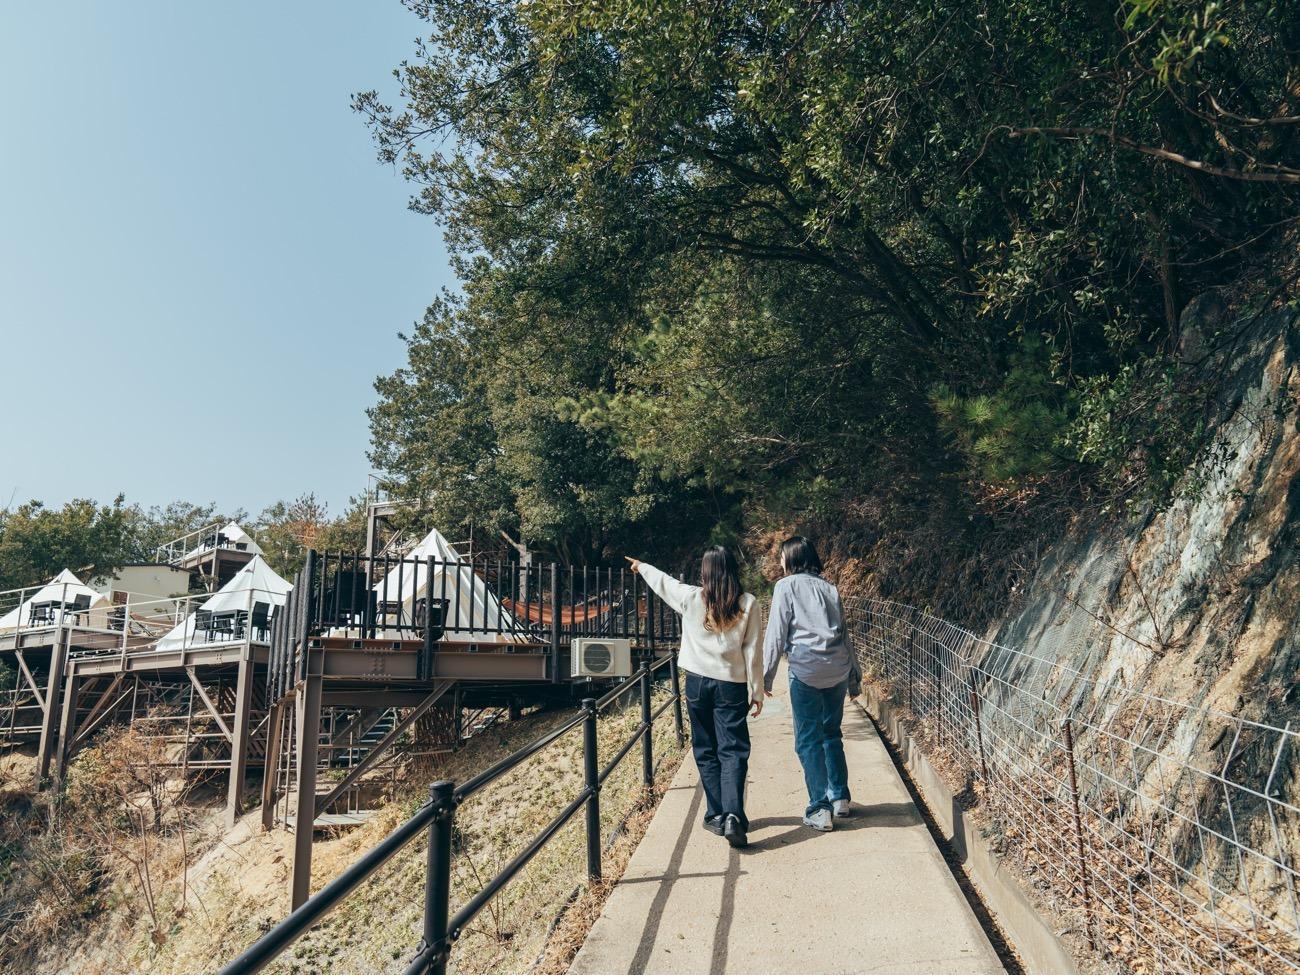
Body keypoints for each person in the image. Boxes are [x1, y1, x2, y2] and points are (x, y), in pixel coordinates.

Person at [625, 548, 763, 848]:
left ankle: (716, 813)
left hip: (697, 683)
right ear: (731, 569)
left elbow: (664, 584)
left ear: (706, 571)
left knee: (705, 747)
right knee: (733, 749)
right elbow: (752, 650)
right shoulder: (749, 603)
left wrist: (642, 566)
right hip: (731, 686)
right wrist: (756, 690)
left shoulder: (691, 598)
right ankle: (733, 817)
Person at [762, 535, 860, 833]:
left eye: (782, 557)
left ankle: (819, 808)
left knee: (807, 739)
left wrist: (765, 676)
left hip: (805, 671)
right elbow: (844, 633)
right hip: (837, 669)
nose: (780, 563)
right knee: (831, 732)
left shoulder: (785, 586)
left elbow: (777, 634)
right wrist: (854, 676)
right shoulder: (830, 588)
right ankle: (840, 797)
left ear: (791, 558)